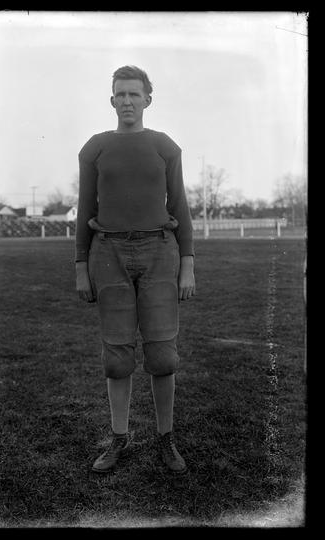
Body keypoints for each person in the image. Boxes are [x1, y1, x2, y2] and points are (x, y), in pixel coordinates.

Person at [75, 65, 195, 474]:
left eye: (134, 94)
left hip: (160, 252)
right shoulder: (95, 148)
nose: (127, 101)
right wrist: (80, 265)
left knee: (162, 354)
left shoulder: (165, 146)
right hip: (108, 254)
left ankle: (166, 438)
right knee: (117, 356)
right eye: (120, 94)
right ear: (112, 101)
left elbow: (180, 206)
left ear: (147, 99)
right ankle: (119, 438)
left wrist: (188, 265)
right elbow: (85, 210)